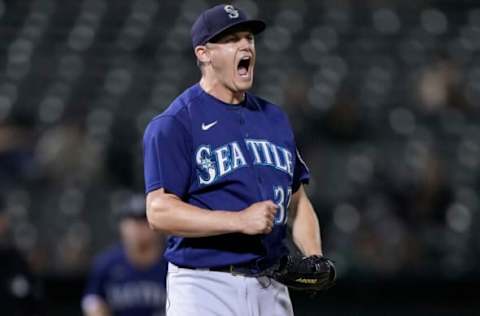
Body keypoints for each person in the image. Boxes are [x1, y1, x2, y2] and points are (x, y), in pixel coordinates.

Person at [143, 4, 325, 316]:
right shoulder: (176, 122)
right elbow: (159, 211)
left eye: (249, 38)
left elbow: (297, 202)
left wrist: (314, 257)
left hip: (272, 285)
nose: (245, 45)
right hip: (204, 285)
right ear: (204, 54)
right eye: (230, 40)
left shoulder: (274, 119)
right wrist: (238, 220)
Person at [82, 194, 167, 316]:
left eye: (144, 221)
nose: (139, 228)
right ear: (122, 226)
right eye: (133, 222)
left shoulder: (172, 262)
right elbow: (91, 299)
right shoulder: (107, 262)